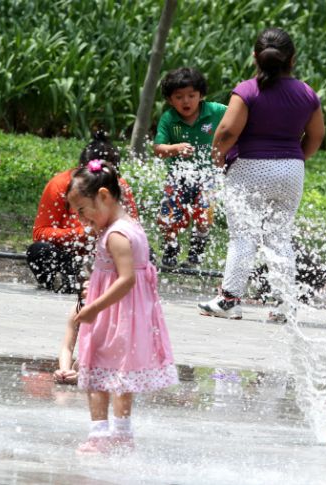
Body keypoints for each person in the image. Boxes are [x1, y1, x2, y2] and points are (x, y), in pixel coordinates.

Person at [197, 27, 325, 322]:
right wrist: (295, 158)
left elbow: (228, 131)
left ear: (255, 57)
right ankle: (285, 304)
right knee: (279, 236)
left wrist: (216, 160)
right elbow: (316, 136)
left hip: (250, 169)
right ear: (292, 59)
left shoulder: (248, 90)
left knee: (243, 236)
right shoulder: (307, 93)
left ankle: (229, 300)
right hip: (291, 171)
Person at [55, 160, 179, 454]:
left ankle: (99, 435)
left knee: (95, 370)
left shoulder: (116, 236)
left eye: (83, 210)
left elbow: (126, 280)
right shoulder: (130, 226)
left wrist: (94, 307)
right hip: (129, 315)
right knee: (123, 374)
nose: (82, 219)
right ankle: (123, 434)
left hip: (113, 313)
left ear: (104, 196)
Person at [27, 132, 139, 293]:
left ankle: (116, 285)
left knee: (145, 254)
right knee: (38, 251)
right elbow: (40, 233)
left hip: (107, 257)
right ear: (82, 172)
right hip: (70, 257)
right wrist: (81, 233)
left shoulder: (120, 188)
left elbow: (134, 231)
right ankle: (67, 281)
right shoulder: (61, 185)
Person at [153, 67, 231, 268]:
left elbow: (237, 121)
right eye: (179, 97)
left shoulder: (216, 111)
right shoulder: (169, 119)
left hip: (209, 176)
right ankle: (171, 246)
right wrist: (175, 148)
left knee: (204, 214)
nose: (185, 101)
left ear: (201, 95)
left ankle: (197, 249)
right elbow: (158, 149)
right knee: (167, 217)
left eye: (191, 95)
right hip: (178, 176)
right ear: (170, 100)